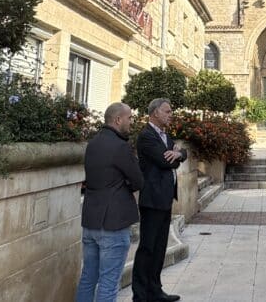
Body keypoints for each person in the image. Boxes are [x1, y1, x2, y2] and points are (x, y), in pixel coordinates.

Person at [76, 102, 144, 302]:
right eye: (129, 118)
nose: (131, 121)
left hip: (90, 220)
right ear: (118, 120)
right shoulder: (120, 147)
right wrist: (124, 184)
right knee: (108, 282)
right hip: (113, 224)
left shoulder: (93, 143)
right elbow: (138, 180)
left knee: (88, 277)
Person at [132, 98, 187, 302]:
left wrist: (178, 153)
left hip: (164, 199)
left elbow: (183, 152)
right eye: (167, 111)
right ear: (155, 113)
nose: (171, 114)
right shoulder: (147, 136)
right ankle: (140, 295)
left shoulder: (165, 135)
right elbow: (166, 162)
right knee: (147, 248)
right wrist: (176, 155)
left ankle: (155, 291)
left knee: (160, 247)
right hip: (152, 199)